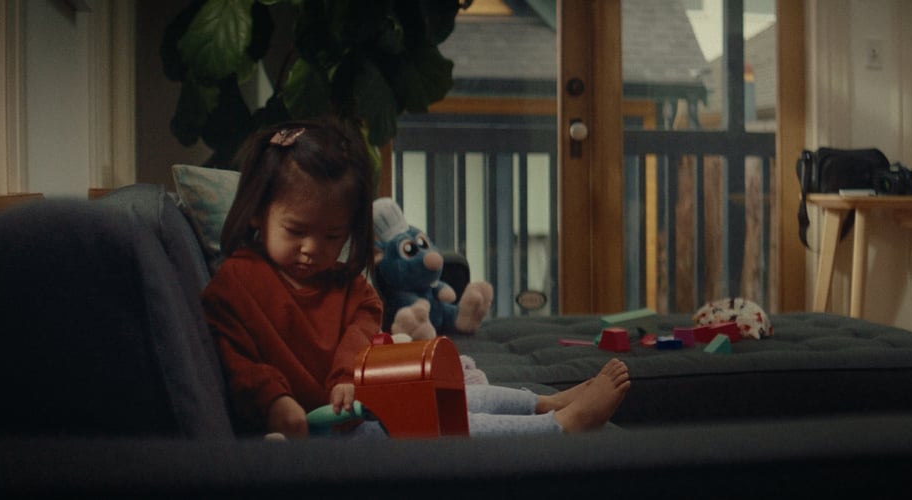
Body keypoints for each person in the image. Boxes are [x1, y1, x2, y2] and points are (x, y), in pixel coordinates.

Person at [202, 119, 631, 439]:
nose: (312, 248)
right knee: (428, 426)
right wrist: (277, 400)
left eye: (333, 236)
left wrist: (346, 379)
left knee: (442, 391)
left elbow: (365, 317)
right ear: (258, 212)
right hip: (321, 430)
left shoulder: (344, 284)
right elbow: (239, 364)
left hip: (359, 398)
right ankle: (559, 428)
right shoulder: (237, 283)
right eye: (295, 231)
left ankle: (543, 404)